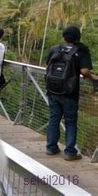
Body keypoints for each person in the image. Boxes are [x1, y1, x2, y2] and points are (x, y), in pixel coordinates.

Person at [45, 25, 97, 161]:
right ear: (78, 37)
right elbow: (85, 71)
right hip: (69, 92)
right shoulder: (80, 51)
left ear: (64, 36)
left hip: (52, 90)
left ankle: (51, 147)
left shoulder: (55, 49)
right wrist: (93, 78)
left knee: (54, 118)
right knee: (70, 122)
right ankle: (69, 152)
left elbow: (48, 66)